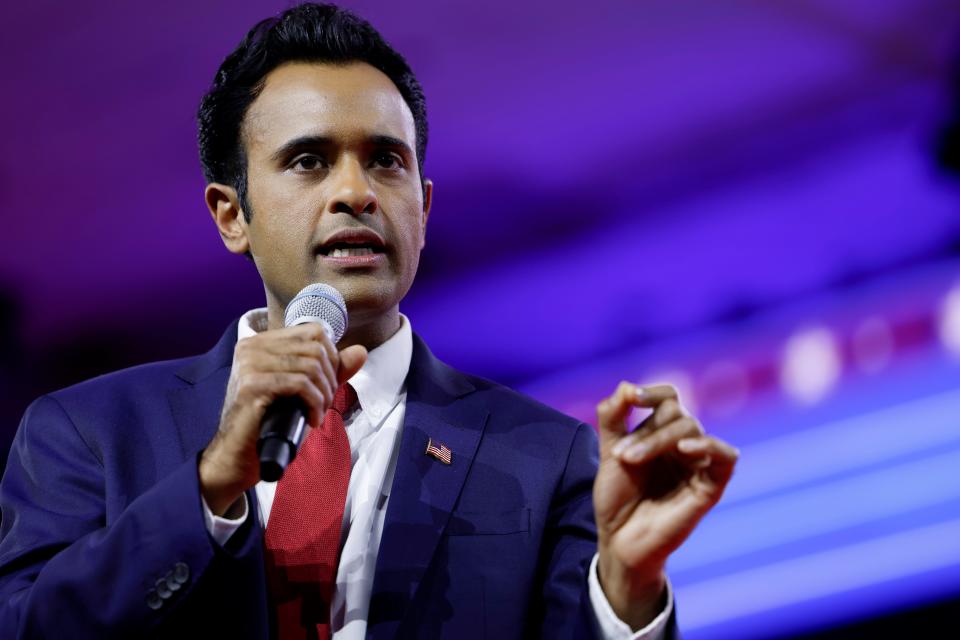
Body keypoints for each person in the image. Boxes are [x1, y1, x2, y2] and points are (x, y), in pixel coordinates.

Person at [0, 4, 739, 638]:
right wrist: (208, 486)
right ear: (232, 214)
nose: (356, 191)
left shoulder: (546, 460)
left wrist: (629, 593)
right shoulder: (88, 434)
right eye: (309, 161)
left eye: (385, 161)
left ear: (423, 204)